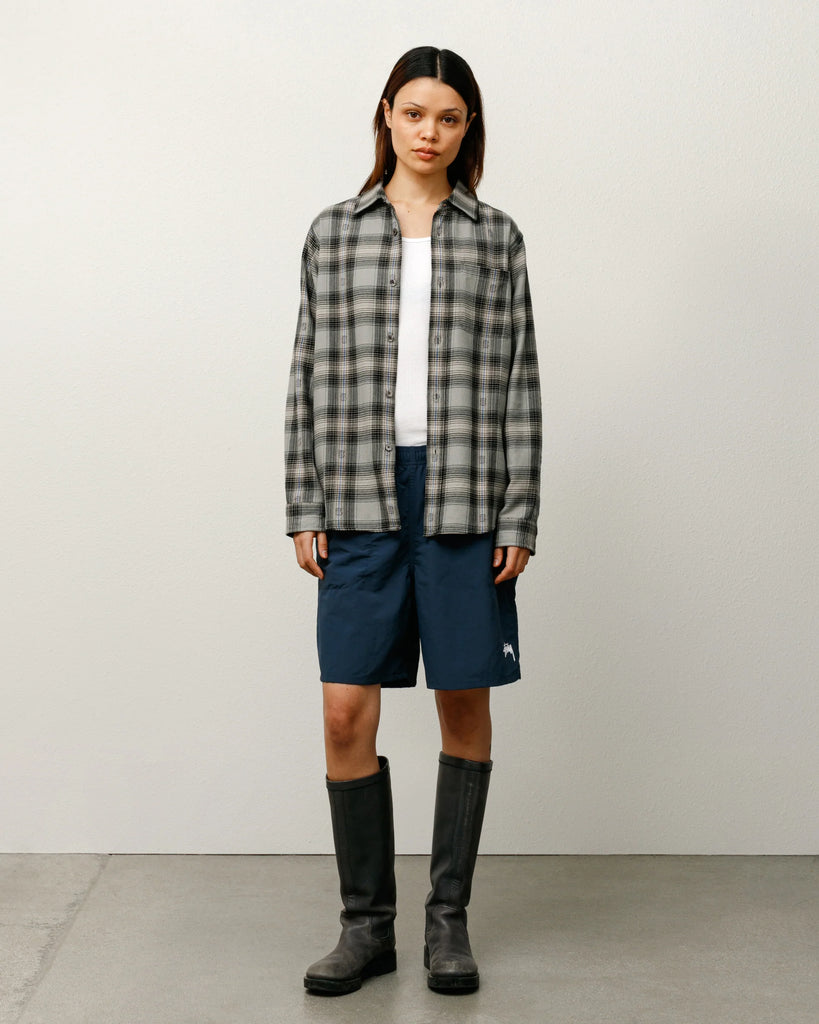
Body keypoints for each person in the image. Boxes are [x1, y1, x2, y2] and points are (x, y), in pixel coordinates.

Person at [285, 45, 541, 996]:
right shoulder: (332, 232)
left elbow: (519, 381)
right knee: (343, 706)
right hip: (357, 491)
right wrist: (302, 502)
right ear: (387, 114)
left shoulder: (496, 237)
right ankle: (365, 928)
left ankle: (446, 924)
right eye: (415, 113)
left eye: (450, 118)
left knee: (462, 701)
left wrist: (519, 512)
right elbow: (304, 373)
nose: (430, 132)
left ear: (468, 130)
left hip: (466, 492)